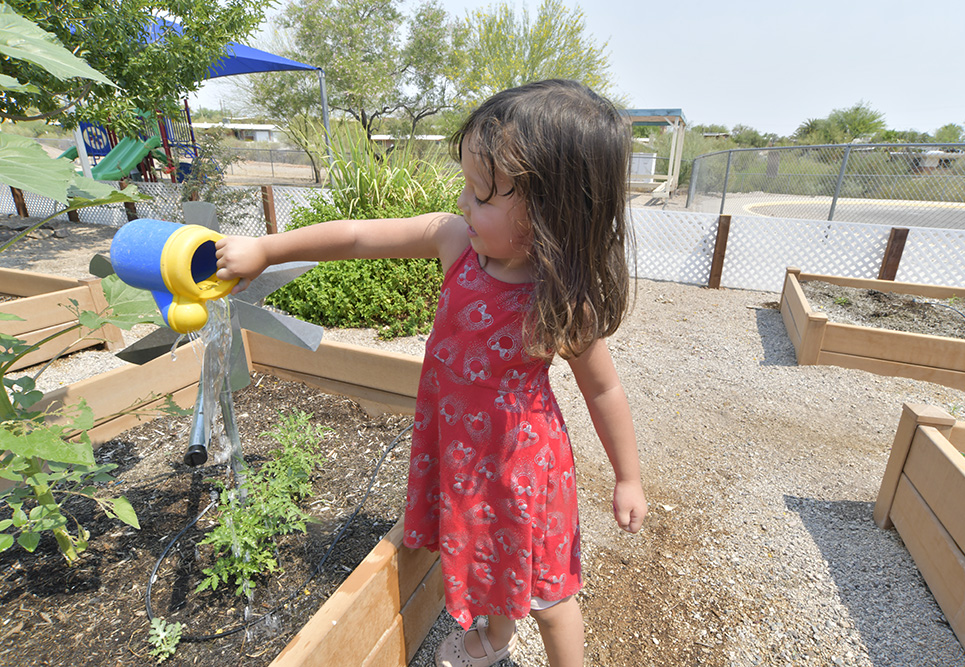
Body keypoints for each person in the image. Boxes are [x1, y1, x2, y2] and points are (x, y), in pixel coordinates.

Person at [215, 79, 647, 667]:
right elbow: (361, 235)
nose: (465, 204)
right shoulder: (455, 242)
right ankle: (496, 637)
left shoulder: (560, 300)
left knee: (547, 591)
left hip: (520, 464)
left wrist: (628, 477)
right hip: (462, 448)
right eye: (467, 187)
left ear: (554, 214)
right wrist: (269, 248)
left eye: (483, 194)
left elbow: (604, 388)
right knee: (489, 556)